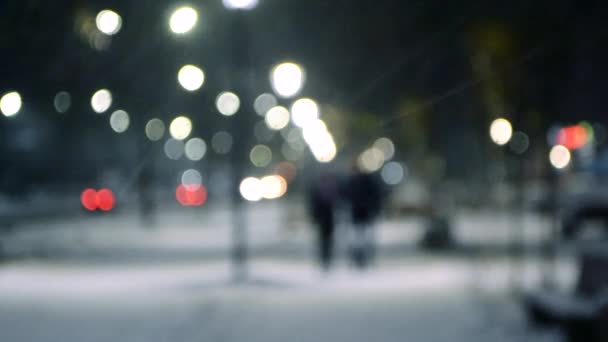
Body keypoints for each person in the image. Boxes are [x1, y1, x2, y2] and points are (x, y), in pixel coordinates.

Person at [343, 164, 383, 269]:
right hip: (360, 214)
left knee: (362, 238)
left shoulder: (355, 182)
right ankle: (361, 259)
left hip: (362, 214)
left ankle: (362, 259)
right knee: (361, 238)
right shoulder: (356, 181)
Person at [308, 172, 339, 271]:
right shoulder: (329, 191)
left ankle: (326, 259)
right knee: (325, 241)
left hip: (325, 220)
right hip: (325, 220)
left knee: (325, 241)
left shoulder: (322, 191)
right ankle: (325, 259)